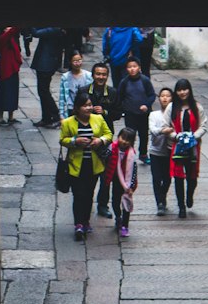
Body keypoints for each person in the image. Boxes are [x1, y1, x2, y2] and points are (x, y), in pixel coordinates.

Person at [58, 88, 112, 242]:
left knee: (89, 195)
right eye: (85, 106)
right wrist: (75, 142)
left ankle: (86, 220)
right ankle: (78, 224)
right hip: (76, 165)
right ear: (77, 108)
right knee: (78, 194)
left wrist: (100, 141)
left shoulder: (98, 119)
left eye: (89, 105)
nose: (88, 108)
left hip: (94, 164)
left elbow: (108, 134)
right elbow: (62, 140)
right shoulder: (68, 122)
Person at [169, 77, 207, 218]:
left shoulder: (197, 107)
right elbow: (166, 126)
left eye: (185, 89)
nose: (182, 92)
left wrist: (194, 136)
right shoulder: (172, 107)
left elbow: (203, 125)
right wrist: (176, 136)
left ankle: (189, 195)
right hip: (178, 146)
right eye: (179, 90)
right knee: (178, 176)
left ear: (189, 90)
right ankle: (181, 207)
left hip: (193, 146)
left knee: (192, 176)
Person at [88, 62, 119, 219]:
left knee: (106, 174)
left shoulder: (112, 92)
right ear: (93, 75)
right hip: (87, 137)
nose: (100, 77)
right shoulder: (85, 91)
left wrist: (105, 111)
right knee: (87, 174)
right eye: (98, 74)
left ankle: (102, 204)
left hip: (106, 138)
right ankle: (86, 203)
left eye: (103, 74)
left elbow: (118, 113)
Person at [115, 55, 155, 164]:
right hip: (130, 113)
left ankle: (143, 154)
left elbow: (152, 95)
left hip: (143, 114)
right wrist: (122, 108)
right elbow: (119, 96)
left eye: (134, 66)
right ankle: (129, 154)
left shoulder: (145, 80)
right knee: (130, 135)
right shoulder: (124, 82)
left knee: (144, 134)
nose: (132, 69)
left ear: (139, 67)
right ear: (126, 69)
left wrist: (146, 105)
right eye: (129, 67)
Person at [25, 27, 65, 126]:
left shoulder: (54, 29)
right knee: (42, 91)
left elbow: (36, 33)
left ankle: (55, 116)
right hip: (44, 63)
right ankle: (46, 117)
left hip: (46, 64)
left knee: (44, 91)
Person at [103, 126, 138, 239]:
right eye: (123, 138)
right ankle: (118, 217)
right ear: (118, 137)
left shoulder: (132, 153)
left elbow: (133, 170)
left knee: (126, 204)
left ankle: (125, 225)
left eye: (128, 140)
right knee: (115, 201)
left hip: (127, 182)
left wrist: (131, 186)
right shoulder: (112, 148)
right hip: (115, 179)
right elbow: (104, 159)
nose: (124, 141)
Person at [147, 85, 174, 214]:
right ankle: (160, 203)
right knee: (157, 178)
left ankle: (162, 198)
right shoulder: (153, 114)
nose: (165, 98)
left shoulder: (175, 114)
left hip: (170, 151)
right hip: (155, 151)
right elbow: (153, 130)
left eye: (167, 96)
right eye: (162, 96)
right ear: (159, 98)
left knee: (167, 178)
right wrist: (164, 130)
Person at [0, 26, 23, 125]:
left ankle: (11, 116)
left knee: (13, 92)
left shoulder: (12, 38)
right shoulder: (3, 38)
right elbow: (14, 29)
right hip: (7, 69)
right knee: (4, 91)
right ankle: (0, 117)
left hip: (13, 69)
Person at [101, 25, 143, 90]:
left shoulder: (110, 29)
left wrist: (106, 55)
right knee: (128, 84)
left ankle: (117, 98)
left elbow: (105, 45)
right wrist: (132, 49)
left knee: (116, 84)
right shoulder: (131, 28)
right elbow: (139, 39)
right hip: (127, 60)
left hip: (113, 60)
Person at [59, 49, 93, 117]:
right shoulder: (65, 77)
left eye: (79, 60)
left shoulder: (88, 76)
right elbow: (62, 97)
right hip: (71, 108)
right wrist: (61, 115)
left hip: (84, 108)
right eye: (75, 61)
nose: (77, 63)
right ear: (70, 62)